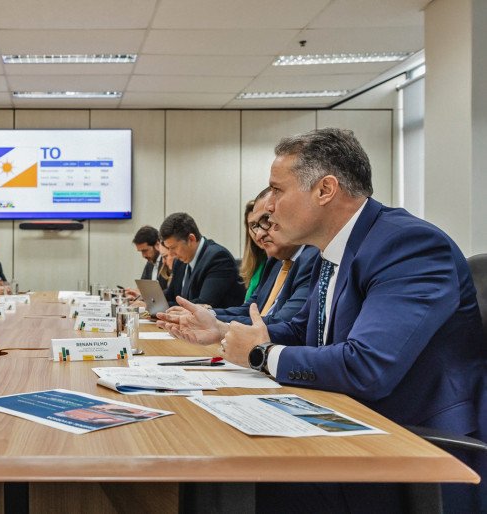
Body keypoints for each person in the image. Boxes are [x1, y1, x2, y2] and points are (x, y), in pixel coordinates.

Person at [161, 128, 486, 513]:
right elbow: (304, 330)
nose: (268, 209)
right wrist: (224, 332)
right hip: (353, 421)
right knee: (211, 463)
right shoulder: (334, 249)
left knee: (225, 483)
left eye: (277, 191)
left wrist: (260, 355)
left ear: (325, 190)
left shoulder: (408, 245)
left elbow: (367, 366)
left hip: (409, 446)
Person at [214, 188, 318, 325]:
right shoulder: (274, 262)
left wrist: (214, 323)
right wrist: (209, 315)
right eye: (255, 226)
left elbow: (282, 323)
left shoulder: (313, 259)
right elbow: (251, 308)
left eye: (267, 220)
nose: (258, 235)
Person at [159, 212, 244, 308]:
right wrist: (149, 303)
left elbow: (203, 304)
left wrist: (164, 307)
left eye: (173, 247)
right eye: (168, 248)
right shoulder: (179, 261)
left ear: (191, 239)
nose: (171, 254)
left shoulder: (218, 258)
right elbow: (171, 295)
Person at [239, 197, 268, 301]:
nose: (259, 232)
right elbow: (247, 309)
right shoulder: (258, 262)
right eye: (253, 225)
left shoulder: (282, 263)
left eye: (264, 222)